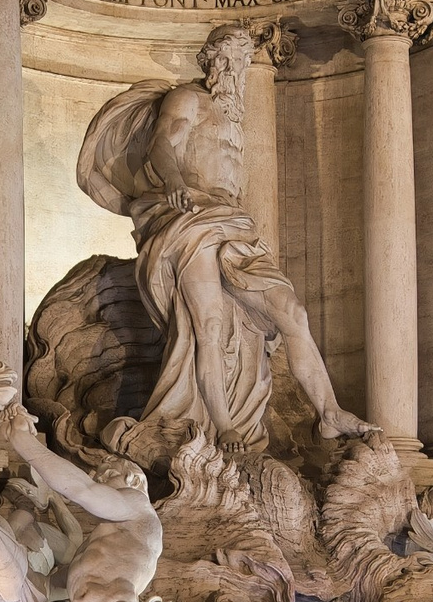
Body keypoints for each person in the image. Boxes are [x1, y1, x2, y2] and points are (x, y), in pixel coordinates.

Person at [77, 24, 373, 450]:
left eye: (241, 60)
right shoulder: (187, 99)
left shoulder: (234, 115)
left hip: (231, 222)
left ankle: (329, 413)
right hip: (187, 216)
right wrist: (175, 179)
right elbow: (162, 143)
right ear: (210, 61)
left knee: (292, 313)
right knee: (208, 324)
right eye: (228, 59)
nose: (235, 68)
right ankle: (222, 424)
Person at [6, 412, 163, 602]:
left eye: (108, 475)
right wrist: (42, 584)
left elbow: (82, 489)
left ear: (134, 480)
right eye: (98, 477)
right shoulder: (112, 535)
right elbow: (80, 575)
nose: (99, 481)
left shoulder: (138, 505)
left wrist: (25, 443)